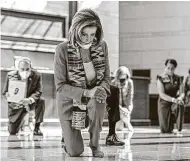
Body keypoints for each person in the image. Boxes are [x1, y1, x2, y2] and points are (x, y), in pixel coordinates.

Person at [54, 9, 110, 158]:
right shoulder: (62, 49)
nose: (88, 39)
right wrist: (86, 92)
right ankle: (67, 136)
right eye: (84, 34)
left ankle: (95, 144)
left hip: (92, 99)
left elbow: (106, 77)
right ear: (76, 30)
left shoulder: (102, 46)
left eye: (93, 34)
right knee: (75, 152)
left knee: (99, 101)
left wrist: (102, 89)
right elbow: (60, 86)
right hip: (70, 103)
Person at [2, 58, 45, 136]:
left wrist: (29, 100)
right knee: (12, 131)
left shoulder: (37, 75)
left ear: (31, 68)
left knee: (41, 100)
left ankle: (37, 127)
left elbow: (39, 91)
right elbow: (4, 92)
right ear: (18, 68)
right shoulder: (10, 75)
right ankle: (20, 122)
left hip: (30, 102)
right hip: (17, 104)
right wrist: (7, 95)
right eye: (22, 69)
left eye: (27, 69)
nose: (25, 71)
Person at [106, 66, 134, 146]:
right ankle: (127, 123)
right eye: (120, 76)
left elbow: (130, 97)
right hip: (117, 107)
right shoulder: (113, 83)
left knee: (125, 116)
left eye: (124, 76)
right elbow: (113, 100)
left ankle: (127, 122)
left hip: (126, 107)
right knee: (119, 128)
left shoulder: (130, 83)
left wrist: (128, 110)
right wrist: (120, 108)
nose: (122, 79)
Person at [157, 59, 185, 134]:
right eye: (168, 68)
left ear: (175, 68)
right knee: (165, 130)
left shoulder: (179, 78)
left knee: (180, 104)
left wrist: (179, 98)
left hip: (175, 102)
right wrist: (173, 99)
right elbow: (162, 94)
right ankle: (169, 123)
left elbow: (182, 93)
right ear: (165, 67)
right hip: (164, 103)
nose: (170, 70)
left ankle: (179, 129)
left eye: (172, 68)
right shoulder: (160, 78)